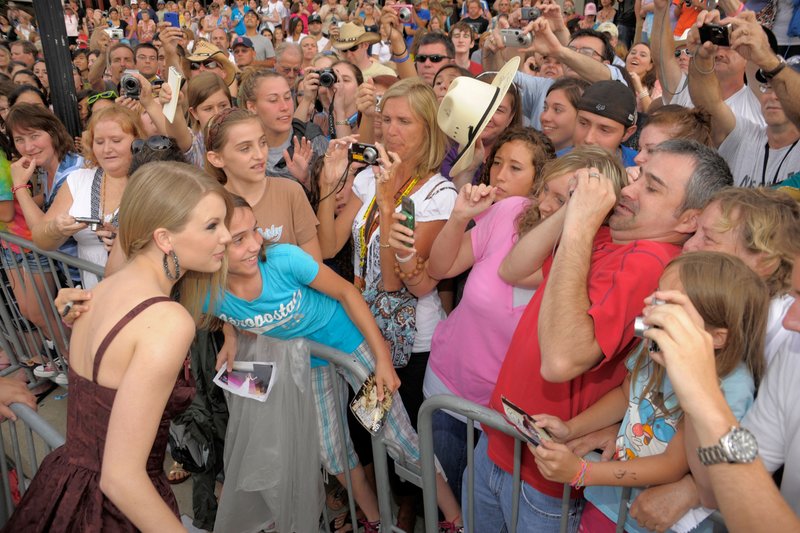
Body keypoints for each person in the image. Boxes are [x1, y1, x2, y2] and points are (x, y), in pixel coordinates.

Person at [476, 139, 732, 532]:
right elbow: (514, 267)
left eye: (652, 187)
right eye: (639, 175)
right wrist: (572, 212)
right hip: (509, 437)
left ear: (688, 221)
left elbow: (560, 361)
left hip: (545, 475)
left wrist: (579, 222)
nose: (629, 189)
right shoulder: (613, 233)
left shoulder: (652, 263)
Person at [0, 162, 232, 533]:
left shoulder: (101, 290)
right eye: (211, 226)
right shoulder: (169, 322)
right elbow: (121, 478)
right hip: (114, 512)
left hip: (64, 486)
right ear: (164, 237)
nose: (227, 236)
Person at [212, 197, 461, 532]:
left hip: (353, 347)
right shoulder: (207, 290)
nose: (256, 242)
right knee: (332, 452)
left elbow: (347, 293)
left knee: (397, 437)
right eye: (239, 239)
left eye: (254, 230)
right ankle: (375, 520)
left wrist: (382, 360)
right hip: (310, 364)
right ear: (210, 249)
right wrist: (230, 336)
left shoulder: (284, 259)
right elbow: (224, 311)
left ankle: (455, 519)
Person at [426, 144, 630, 502]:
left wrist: (575, 219)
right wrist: (459, 218)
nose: (545, 205)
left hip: (514, 421)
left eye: (562, 198)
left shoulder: (593, 264)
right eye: (545, 192)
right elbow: (444, 269)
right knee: (447, 502)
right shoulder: (511, 212)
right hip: (451, 390)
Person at [533, 251, 766, 531]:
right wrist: (570, 429)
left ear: (717, 337)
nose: (649, 305)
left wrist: (583, 472)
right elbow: (626, 394)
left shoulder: (730, 384)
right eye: (657, 294)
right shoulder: (655, 343)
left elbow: (673, 464)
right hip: (609, 501)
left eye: (670, 305)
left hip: (658, 520)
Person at [316, 78, 460, 531]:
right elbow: (327, 242)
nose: (390, 130)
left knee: (410, 438)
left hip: (411, 342)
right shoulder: (365, 176)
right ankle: (396, 507)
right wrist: (325, 183)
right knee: (369, 429)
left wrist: (389, 201)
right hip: (365, 331)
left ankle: (431, 515)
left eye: (404, 121)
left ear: (429, 130)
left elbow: (405, 284)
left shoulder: (440, 195)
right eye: (385, 120)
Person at [631, 251, 800, 532]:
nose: (788, 321)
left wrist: (705, 396)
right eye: (795, 296)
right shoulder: (794, 357)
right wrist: (692, 488)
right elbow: (742, 464)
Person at [31, 105, 144, 289]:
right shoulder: (79, 179)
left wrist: (127, 243)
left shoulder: (152, 180)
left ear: (137, 141)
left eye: (116, 140)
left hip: (140, 290)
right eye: (99, 142)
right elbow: (40, 238)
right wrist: (56, 229)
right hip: (95, 294)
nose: (107, 149)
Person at [688, 11, 800, 188]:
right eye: (769, 87)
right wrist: (701, 56)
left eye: (783, 88)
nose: (774, 95)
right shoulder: (745, 136)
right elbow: (708, 104)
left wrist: (768, 60)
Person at [204, 107, 322, 260]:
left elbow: (314, 266)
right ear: (216, 158)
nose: (260, 155)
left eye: (263, 143)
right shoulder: (210, 208)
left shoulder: (291, 191)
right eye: (245, 148)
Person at [237, 68, 328, 185]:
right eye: (273, 100)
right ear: (252, 107)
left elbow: (331, 196)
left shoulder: (312, 140)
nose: (284, 107)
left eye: (287, 97)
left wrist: (306, 180)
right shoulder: (241, 150)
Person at [540, 77, 591, 154]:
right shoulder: (536, 154)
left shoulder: (582, 164)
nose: (545, 117)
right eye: (545, 108)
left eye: (557, 110)